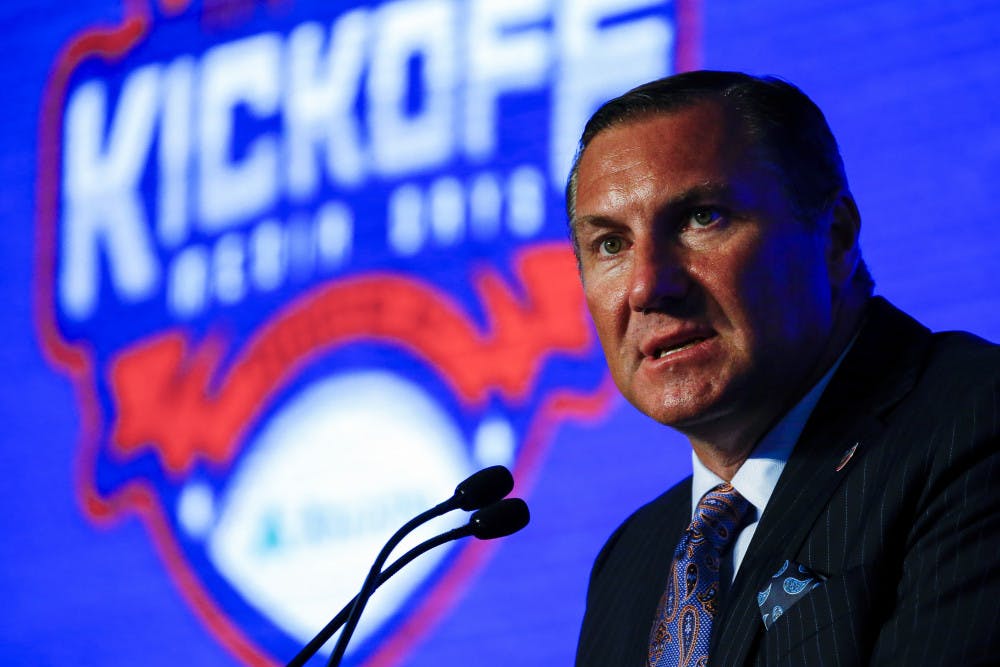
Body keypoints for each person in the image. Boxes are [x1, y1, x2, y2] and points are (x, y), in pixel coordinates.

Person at [568, 70, 1000, 666]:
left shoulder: (973, 426)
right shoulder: (634, 560)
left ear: (836, 237)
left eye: (701, 218)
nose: (647, 287)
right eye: (611, 245)